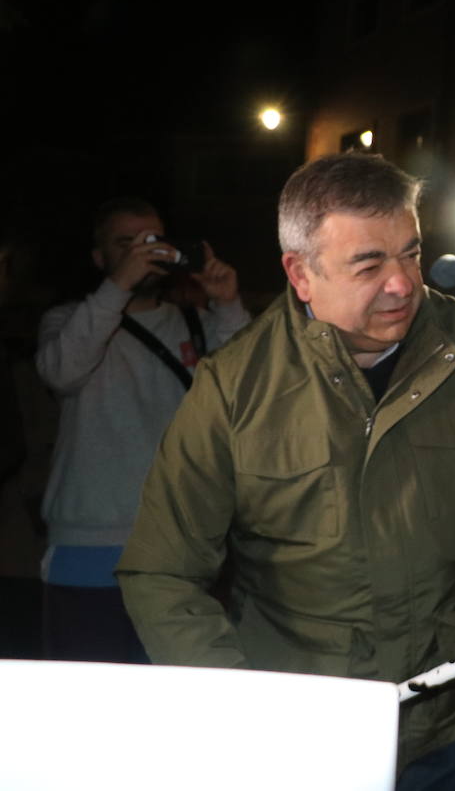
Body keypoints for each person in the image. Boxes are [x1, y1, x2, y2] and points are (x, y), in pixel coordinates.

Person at [116, 154, 455, 789]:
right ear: (301, 274)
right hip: (301, 732)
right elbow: (160, 572)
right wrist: (239, 699)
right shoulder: (233, 388)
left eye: (410, 253)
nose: (402, 284)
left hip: (445, 717)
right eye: (368, 264)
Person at [37, 197, 249, 663]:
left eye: (152, 240)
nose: (142, 251)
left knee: (176, 710)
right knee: (86, 705)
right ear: (99, 259)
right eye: (125, 243)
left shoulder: (198, 324)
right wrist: (118, 286)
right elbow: (61, 371)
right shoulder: (68, 321)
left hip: (183, 549)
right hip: (88, 546)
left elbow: (248, 395)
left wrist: (228, 304)